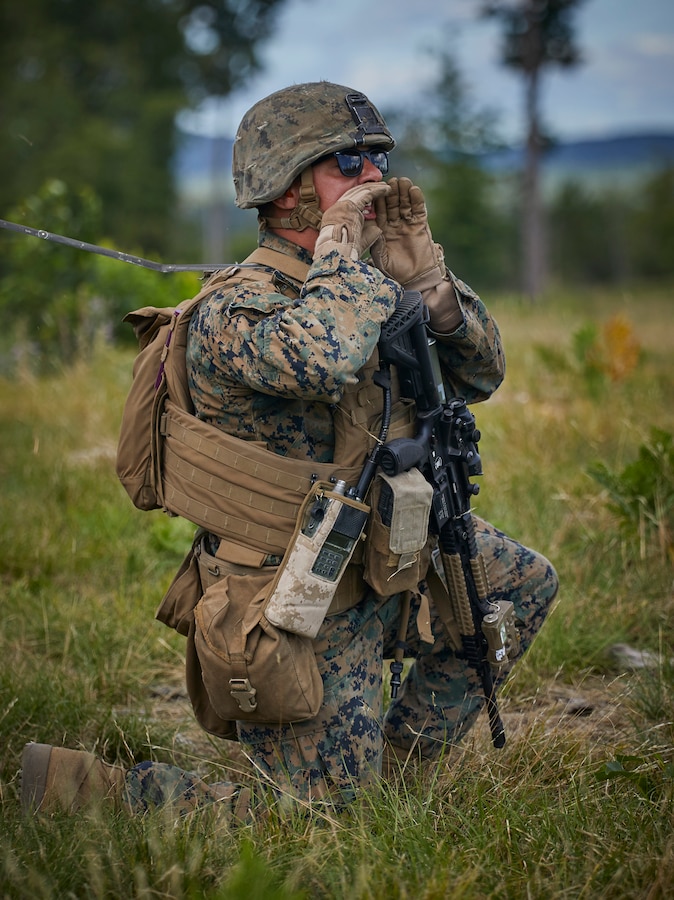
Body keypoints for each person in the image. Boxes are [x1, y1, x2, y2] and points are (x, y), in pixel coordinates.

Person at [21, 82, 558, 818]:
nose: (373, 178)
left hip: (387, 551)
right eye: (347, 162)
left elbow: (482, 374)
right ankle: (73, 789)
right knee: (313, 834)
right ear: (285, 192)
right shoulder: (235, 309)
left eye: (376, 158)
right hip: (293, 595)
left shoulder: (369, 287)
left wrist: (429, 283)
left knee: (519, 584)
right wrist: (346, 259)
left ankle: (392, 778)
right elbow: (321, 359)